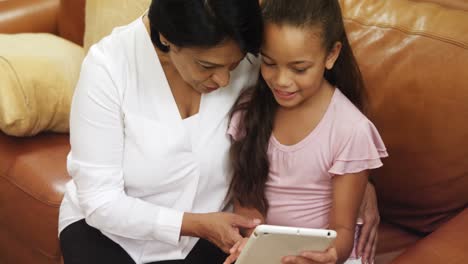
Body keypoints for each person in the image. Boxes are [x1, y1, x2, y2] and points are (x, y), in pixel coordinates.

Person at [59, 0, 380, 264]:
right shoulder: (108, 68)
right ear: (167, 38)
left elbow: (322, 112)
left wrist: (361, 184)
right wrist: (196, 225)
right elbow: (101, 203)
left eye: (235, 64)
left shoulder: (261, 58)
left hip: (214, 237)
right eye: (207, 66)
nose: (225, 80)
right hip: (109, 234)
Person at [225, 0, 388, 264]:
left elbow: (343, 231)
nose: (281, 80)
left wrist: (332, 255)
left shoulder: (351, 129)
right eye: (269, 62)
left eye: (299, 69)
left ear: (332, 55)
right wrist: (253, 243)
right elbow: (248, 202)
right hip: (264, 252)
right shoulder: (250, 110)